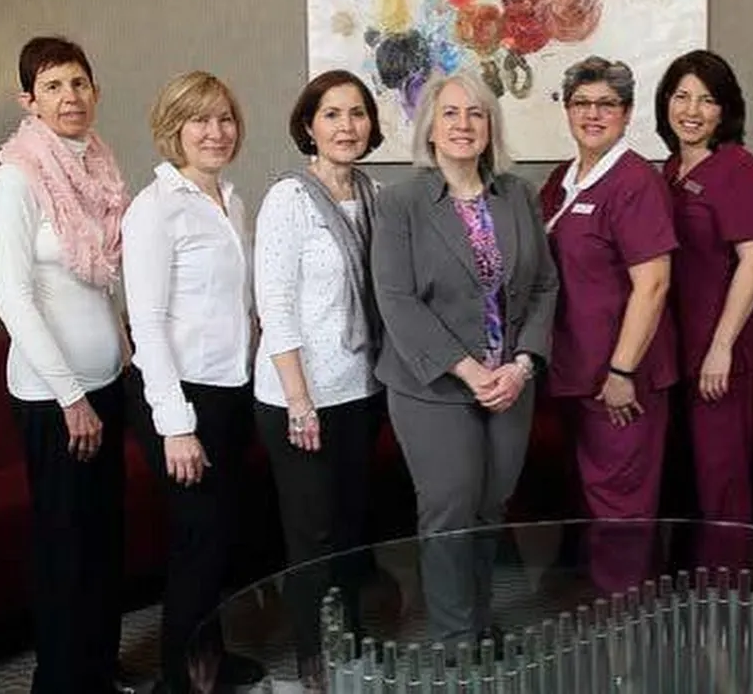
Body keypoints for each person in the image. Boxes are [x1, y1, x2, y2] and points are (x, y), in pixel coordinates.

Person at [372, 69, 558, 649]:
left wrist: (521, 365)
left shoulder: (518, 195)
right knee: (450, 510)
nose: (463, 124)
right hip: (433, 386)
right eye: (450, 113)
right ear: (430, 128)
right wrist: (470, 370)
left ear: (490, 127)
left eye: (476, 113)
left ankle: (477, 622)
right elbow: (396, 300)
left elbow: (545, 285)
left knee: (490, 507)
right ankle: (455, 640)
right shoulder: (400, 203)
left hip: (510, 382)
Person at [0, 36, 130, 694]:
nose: (69, 97)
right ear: (29, 101)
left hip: (107, 381)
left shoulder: (99, 164)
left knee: (103, 542)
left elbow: (101, 281)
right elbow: (13, 298)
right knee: (65, 547)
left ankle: (98, 668)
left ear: (95, 91)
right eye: (52, 86)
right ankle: (61, 681)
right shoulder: (15, 177)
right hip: (55, 396)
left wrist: (124, 355)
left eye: (78, 83)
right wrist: (72, 397)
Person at [122, 71, 262, 694]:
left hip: (229, 390)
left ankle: (211, 661)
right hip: (179, 397)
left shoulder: (231, 199)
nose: (216, 131)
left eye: (225, 118)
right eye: (200, 120)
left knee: (219, 536)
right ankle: (181, 682)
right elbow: (147, 325)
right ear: (173, 129)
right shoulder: (155, 209)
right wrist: (176, 426)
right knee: (197, 540)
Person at [253, 70, 385, 687]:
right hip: (299, 395)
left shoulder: (376, 194)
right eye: (331, 114)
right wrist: (299, 400)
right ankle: (314, 658)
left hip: (362, 389)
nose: (346, 126)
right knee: (313, 535)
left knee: (354, 529)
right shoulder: (289, 199)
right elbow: (274, 305)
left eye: (356, 113)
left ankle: (350, 643)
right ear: (309, 125)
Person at [540, 56, 677, 592]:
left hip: (620, 380)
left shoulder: (636, 182)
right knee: (589, 500)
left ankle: (623, 621)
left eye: (606, 104)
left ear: (627, 112)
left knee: (620, 506)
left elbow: (654, 284)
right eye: (582, 103)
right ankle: (599, 606)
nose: (592, 114)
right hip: (575, 371)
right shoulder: (562, 180)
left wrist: (622, 371)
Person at [655, 50, 753, 531]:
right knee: (684, 486)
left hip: (720, 352)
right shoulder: (668, 171)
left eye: (706, 100)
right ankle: (689, 580)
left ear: (725, 110)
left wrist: (721, 347)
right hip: (674, 352)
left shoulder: (738, 168)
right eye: (681, 96)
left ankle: (727, 580)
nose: (692, 110)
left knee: (720, 485)